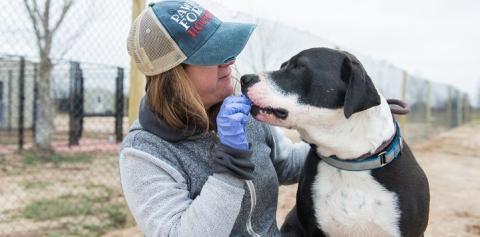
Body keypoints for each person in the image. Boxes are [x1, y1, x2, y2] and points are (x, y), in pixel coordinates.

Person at [120, 0, 309, 236]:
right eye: (213, 53)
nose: (229, 60)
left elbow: (288, 165)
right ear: (174, 76)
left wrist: (344, 141)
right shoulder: (144, 152)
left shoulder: (241, 113)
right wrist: (230, 164)